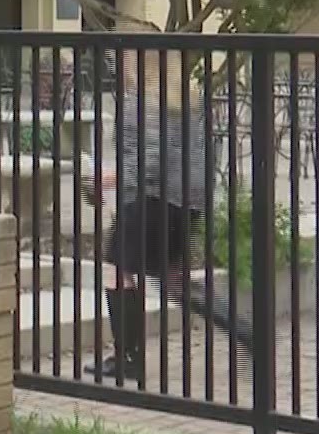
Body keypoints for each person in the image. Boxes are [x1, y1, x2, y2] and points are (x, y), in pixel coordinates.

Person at [84, 45, 247, 383]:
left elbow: (143, 165)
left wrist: (103, 180)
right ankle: (241, 328)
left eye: (124, 59)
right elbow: (206, 156)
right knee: (176, 282)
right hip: (186, 203)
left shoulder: (138, 102)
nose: (119, 65)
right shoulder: (191, 99)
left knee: (118, 272)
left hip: (149, 200)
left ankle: (128, 358)